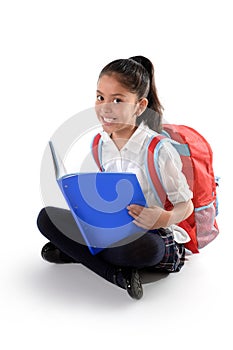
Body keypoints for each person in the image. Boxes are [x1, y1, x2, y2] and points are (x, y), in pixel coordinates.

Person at [37, 56, 194, 300]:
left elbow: (187, 206)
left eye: (117, 100)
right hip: (115, 228)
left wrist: (163, 217)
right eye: (100, 97)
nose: (105, 108)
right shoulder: (100, 143)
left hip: (151, 234)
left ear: (140, 106)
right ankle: (117, 272)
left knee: (142, 250)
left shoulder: (159, 150)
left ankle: (86, 258)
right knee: (46, 218)